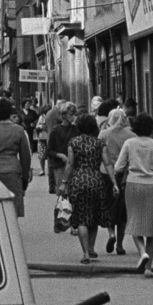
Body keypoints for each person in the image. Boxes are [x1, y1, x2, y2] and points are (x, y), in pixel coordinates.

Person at [114, 114, 153, 276]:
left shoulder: (129, 143)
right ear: (151, 128)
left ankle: (142, 253)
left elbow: (118, 168)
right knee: (151, 227)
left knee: (134, 221)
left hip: (133, 184)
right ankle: (148, 268)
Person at [59, 112, 113, 263]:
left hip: (78, 181)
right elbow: (107, 163)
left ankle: (85, 254)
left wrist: (64, 182)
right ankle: (91, 247)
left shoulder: (73, 142)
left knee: (81, 218)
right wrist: (114, 182)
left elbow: (70, 163)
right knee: (94, 217)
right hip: (96, 180)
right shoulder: (99, 143)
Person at [100, 107, 131, 255]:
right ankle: (120, 244)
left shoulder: (104, 134)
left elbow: (99, 153)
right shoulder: (131, 135)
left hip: (106, 173)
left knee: (108, 205)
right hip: (124, 175)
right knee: (122, 211)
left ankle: (110, 233)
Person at [46, 103, 77, 194]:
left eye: (75, 114)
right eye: (71, 114)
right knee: (63, 194)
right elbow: (49, 150)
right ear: (63, 115)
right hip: (60, 166)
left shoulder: (76, 129)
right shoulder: (55, 130)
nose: (73, 117)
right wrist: (60, 155)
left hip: (74, 166)